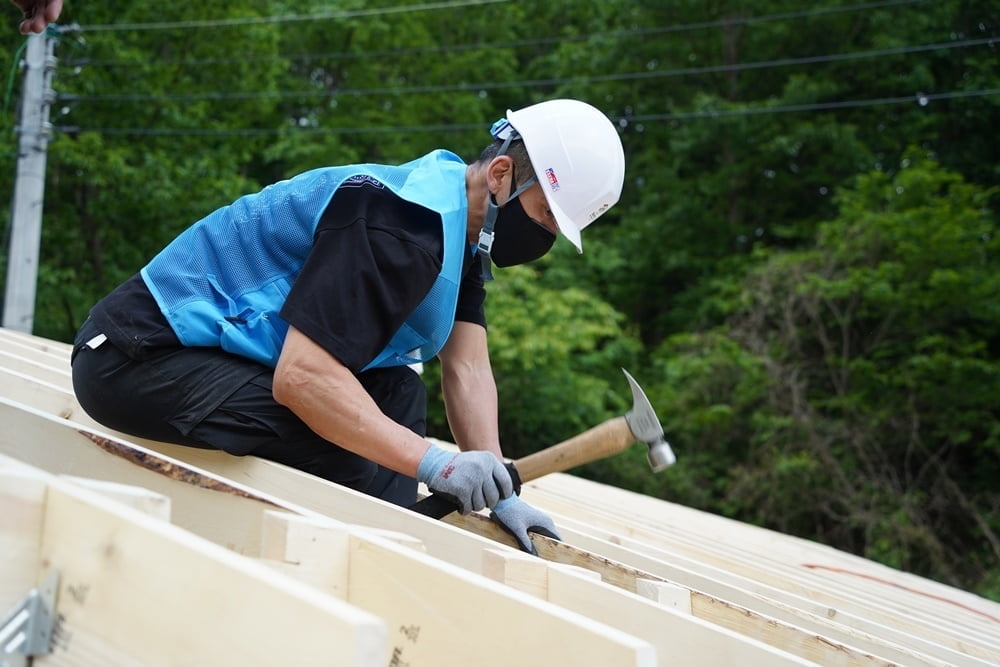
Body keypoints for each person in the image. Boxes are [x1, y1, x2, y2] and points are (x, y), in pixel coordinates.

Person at [71, 98, 626, 554]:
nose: (547, 238)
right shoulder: (400, 225)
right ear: (502, 174)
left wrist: (499, 488)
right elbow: (303, 378)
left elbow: (467, 366)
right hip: (134, 358)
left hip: (218, 359)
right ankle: (349, 570)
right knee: (359, 446)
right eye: (548, 215)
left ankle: (385, 549)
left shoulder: (460, 234)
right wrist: (436, 462)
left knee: (399, 396)